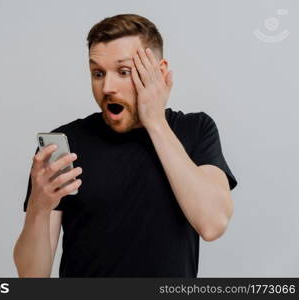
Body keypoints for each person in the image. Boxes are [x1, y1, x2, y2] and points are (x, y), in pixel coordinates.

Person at [13, 13, 238, 277]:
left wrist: (155, 122)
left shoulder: (195, 130)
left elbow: (213, 224)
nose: (107, 87)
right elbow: (31, 276)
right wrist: (39, 207)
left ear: (160, 72)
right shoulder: (67, 144)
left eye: (123, 72)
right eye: (98, 73)